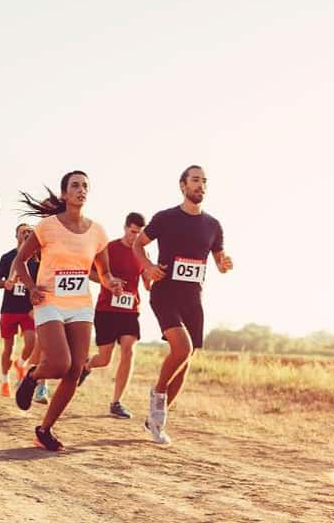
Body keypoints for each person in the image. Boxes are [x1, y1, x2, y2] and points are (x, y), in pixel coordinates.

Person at [12, 171, 123, 451]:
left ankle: (44, 429)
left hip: (80, 305)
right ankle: (33, 375)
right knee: (60, 364)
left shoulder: (97, 231)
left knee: (75, 368)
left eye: (86, 185)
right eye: (75, 185)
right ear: (64, 194)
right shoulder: (47, 226)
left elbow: (104, 271)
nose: (81, 190)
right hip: (49, 300)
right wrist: (30, 287)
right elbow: (21, 260)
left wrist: (112, 283)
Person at [132, 165, 232, 444]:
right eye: (195, 180)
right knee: (182, 347)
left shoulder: (213, 225)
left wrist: (225, 264)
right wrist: (148, 267)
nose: (201, 185)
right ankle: (158, 398)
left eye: (204, 181)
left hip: (193, 299)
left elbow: (220, 260)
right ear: (183, 185)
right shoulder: (165, 218)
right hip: (165, 293)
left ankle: (156, 418)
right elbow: (138, 245)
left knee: (185, 358)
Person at [77, 212, 149, 419]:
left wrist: (149, 280)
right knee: (104, 359)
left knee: (128, 350)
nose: (135, 237)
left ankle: (116, 402)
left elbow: (145, 275)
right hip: (106, 310)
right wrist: (108, 281)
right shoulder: (109, 248)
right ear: (125, 228)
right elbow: (89, 272)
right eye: (133, 232)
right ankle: (87, 365)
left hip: (130, 311)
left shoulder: (141, 252)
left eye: (139, 233)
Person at [0, 223, 40, 396]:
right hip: (9, 308)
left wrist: (35, 305)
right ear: (17, 235)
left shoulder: (37, 260)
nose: (27, 234)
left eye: (30, 232)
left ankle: (20, 363)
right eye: (23, 232)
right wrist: (5, 283)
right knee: (8, 347)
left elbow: (40, 284)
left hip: (28, 309)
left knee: (31, 342)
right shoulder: (7, 258)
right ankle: (5, 380)